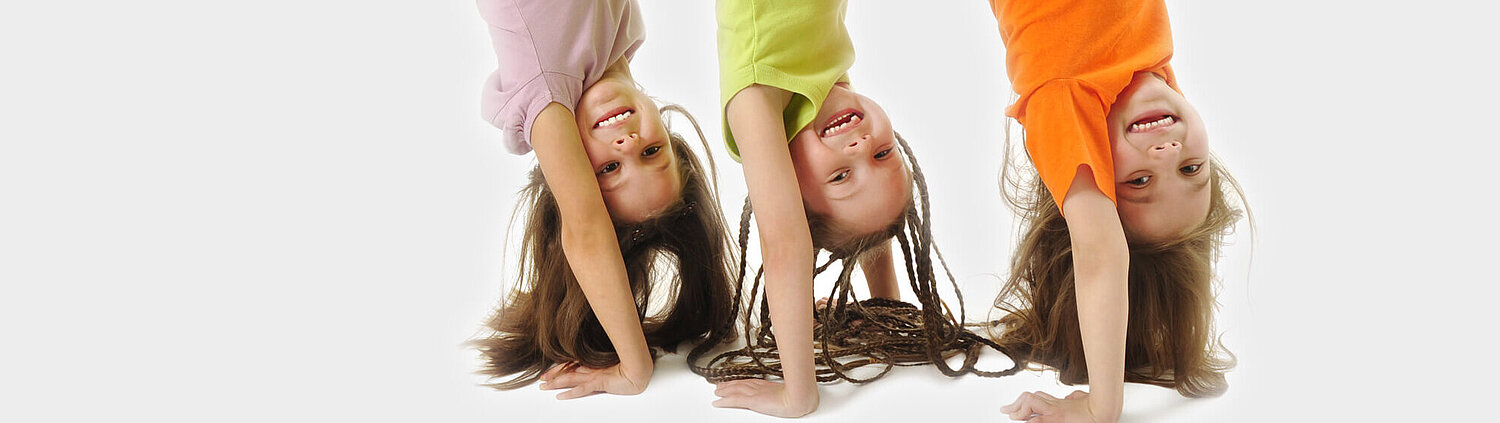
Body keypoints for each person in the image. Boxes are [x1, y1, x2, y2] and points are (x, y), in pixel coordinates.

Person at [707, 0, 1008, 417]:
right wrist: (883, 310)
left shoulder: (755, 95)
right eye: (885, 153)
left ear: (789, 193)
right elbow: (861, 224)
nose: (863, 145)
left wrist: (799, 394)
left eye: (841, 177)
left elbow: (785, 245)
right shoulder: (830, 81)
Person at [986, 1, 1250, 422]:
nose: (1168, 152)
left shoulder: (1063, 97)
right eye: (1191, 169)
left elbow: (1101, 253)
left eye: (1140, 182)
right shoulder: (1153, 59)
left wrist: (1101, 408)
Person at [469, 0, 737, 400]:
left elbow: (587, 231)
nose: (627, 144)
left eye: (609, 169)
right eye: (651, 153)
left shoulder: (544, 90)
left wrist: (635, 367)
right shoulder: (620, 34)